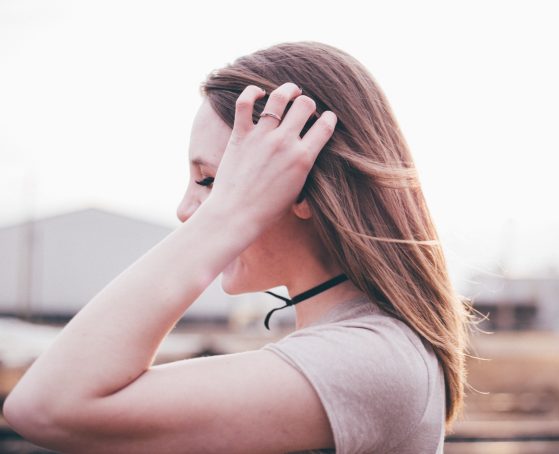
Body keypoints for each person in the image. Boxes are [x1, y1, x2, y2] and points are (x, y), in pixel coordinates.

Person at [3, 41, 477, 453]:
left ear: (305, 189)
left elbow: (46, 406)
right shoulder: (357, 348)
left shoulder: (372, 360)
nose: (188, 210)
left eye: (211, 180)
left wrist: (228, 214)